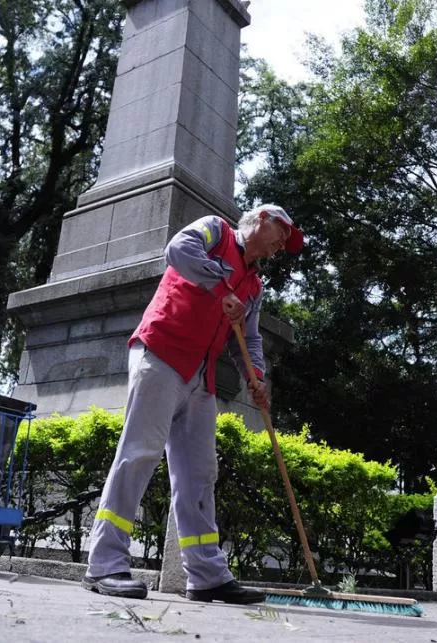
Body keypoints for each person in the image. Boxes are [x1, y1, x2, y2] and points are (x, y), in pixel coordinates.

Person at [81, 204, 304, 603]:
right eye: (281, 232)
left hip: (201, 375)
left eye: (286, 241)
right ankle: (104, 564)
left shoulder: (255, 286)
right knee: (139, 453)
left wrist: (256, 376)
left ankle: (206, 576)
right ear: (259, 220)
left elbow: (249, 338)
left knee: (200, 472)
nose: (281, 244)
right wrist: (222, 288)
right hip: (161, 353)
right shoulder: (214, 231)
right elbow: (177, 250)